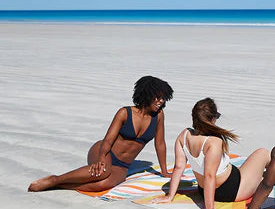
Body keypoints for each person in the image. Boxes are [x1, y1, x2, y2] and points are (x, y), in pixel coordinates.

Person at [28, 76, 173, 192]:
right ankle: (55, 179)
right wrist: (102, 158)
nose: (161, 101)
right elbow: (108, 140)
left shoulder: (158, 116)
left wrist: (164, 171)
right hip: (105, 151)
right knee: (102, 171)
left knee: (103, 184)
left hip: (123, 165)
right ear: (147, 94)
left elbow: (160, 144)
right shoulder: (125, 113)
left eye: (163, 98)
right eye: (158, 97)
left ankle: (62, 186)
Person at [151, 98, 271, 209]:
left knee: (262, 176)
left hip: (204, 191)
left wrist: (170, 196)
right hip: (233, 190)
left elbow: (178, 168)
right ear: (212, 119)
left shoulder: (184, 135)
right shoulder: (213, 142)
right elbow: (209, 176)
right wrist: (209, 208)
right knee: (262, 153)